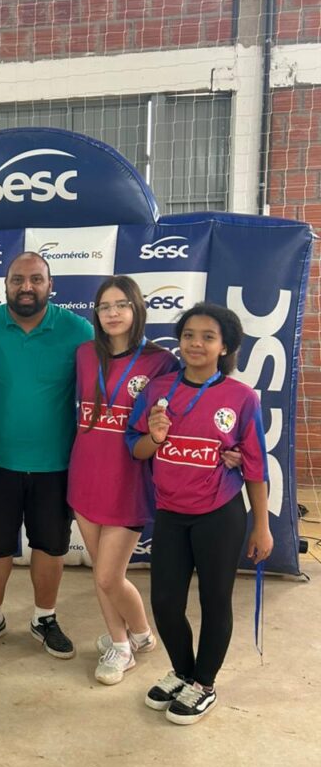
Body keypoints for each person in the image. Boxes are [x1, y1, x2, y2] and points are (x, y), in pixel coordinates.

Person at [127, 302, 273, 725]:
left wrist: (262, 526)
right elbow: (136, 449)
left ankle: (204, 684)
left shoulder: (241, 398)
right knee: (165, 602)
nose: (196, 343)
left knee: (215, 600)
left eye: (208, 337)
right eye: (189, 335)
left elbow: (255, 467)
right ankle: (182, 672)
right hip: (171, 514)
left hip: (219, 514)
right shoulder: (158, 391)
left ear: (225, 346)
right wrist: (155, 437)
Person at [0, 251, 93, 660]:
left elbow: (117, 373)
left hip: (56, 465)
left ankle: (44, 618)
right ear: (5, 285)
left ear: (51, 285)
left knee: (51, 546)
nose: (27, 287)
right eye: (18, 279)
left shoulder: (78, 330)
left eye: (36, 279)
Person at [68, 276, 179, 685]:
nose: (112, 313)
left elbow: (183, 415)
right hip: (84, 476)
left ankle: (127, 643)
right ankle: (132, 638)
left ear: (137, 308)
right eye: (104, 306)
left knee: (108, 576)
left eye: (121, 305)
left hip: (128, 481)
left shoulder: (161, 362)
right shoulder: (84, 354)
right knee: (102, 571)